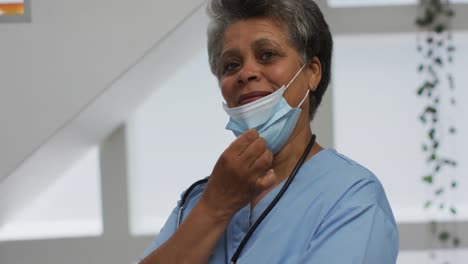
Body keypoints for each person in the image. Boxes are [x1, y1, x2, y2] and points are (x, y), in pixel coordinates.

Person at [140, 0, 399, 263]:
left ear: (312, 72)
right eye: (230, 65)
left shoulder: (351, 195)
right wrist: (213, 210)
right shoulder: (198, 200)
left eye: (267, 55)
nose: (245, 73)